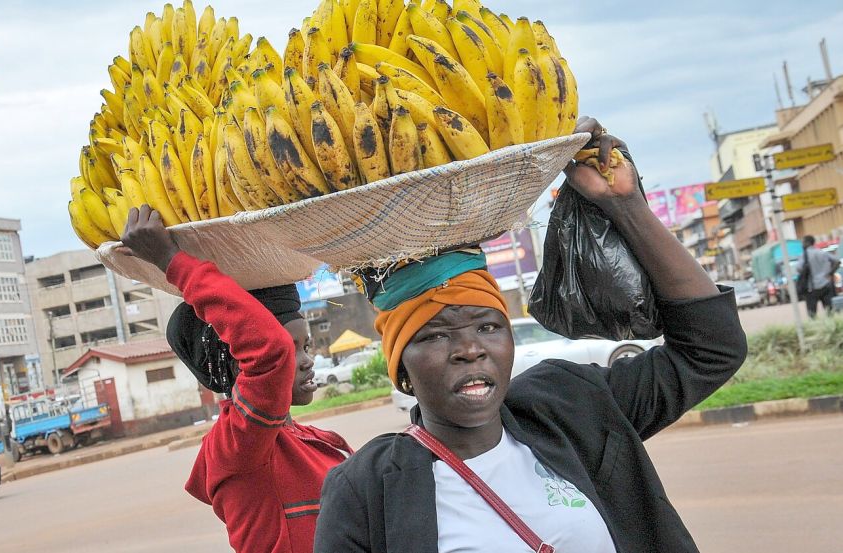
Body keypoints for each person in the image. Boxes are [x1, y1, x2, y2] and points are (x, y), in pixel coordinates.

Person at [314, 117, 749, 553]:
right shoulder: (365, 491)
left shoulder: (571, 405)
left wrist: (626, 206)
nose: (469, 349)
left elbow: (711, 349)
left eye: (488, 327)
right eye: (435, 336)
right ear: (400, 365)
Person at [120, 206, 353, 553]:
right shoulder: (238, 445)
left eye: (306, 346)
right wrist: (171, 260)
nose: (306, 362)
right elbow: (269, 352)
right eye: (292, 349)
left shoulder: (319, 441)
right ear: (239, 363)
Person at [799, 235, 839, 318]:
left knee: (812, 314)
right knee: (830, 312)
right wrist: (830, 273)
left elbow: (799, 268)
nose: (802, 245)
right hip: (826, 284)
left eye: (803, 242)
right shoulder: (822, 252)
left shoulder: (804, 255)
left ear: (807, 243)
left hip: (812, 288)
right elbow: (837, 261)